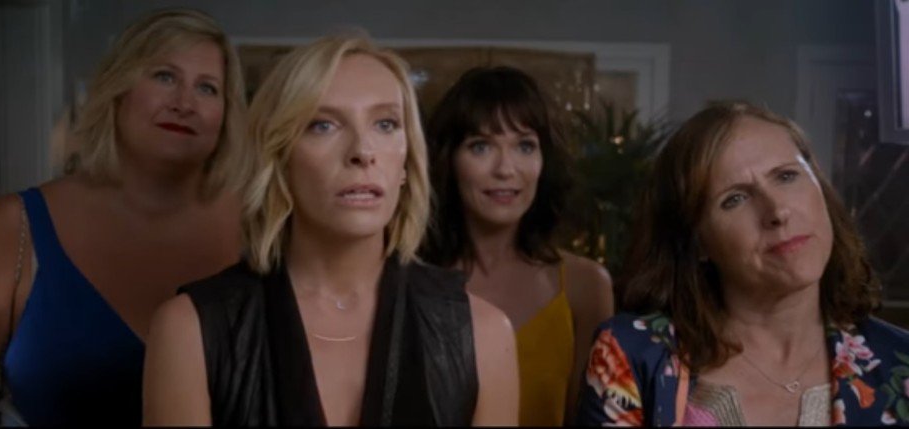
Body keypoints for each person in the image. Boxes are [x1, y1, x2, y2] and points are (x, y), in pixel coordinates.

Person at [142, 34, 519, 427]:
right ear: (279, 156)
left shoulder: (483, 335)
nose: (362, 152)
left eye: (386, 124)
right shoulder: (189, 329)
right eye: (323, 125)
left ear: (407, 163)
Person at [0, 8, 246, 426]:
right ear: (118, 91)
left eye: (207, 88)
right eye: (164, 77)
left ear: (226, 115)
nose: (184, 103)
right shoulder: (15, 229)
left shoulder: (261, 229)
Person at [576, 102, 909, 426]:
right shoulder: (630, 357)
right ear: (698, 242)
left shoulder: (901, 362)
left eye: (787, 176)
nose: (777, 212)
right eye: (735, 199)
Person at [420, 66, 613, 426]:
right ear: (449, 161)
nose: (506, 169)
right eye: (481, 146)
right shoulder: (411, 282)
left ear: (544, 162)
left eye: (525, 146)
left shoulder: (586, 286)